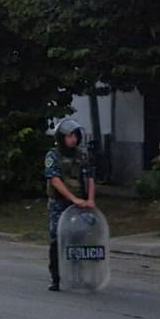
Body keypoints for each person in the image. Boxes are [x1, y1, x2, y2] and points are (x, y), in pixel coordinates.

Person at [44, 118, 97, 292]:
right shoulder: (53, 155)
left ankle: (79, 275)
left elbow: (89, 178)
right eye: (69, 136)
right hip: (59, 204)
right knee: (57, 239)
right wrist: (73, 198)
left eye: (75, 136)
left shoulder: (82, 155)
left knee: (79, 239)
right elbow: (55, 180)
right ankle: (56, 278)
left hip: (80, 205)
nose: (73, 139)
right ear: (61, 137)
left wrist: (90, 200)